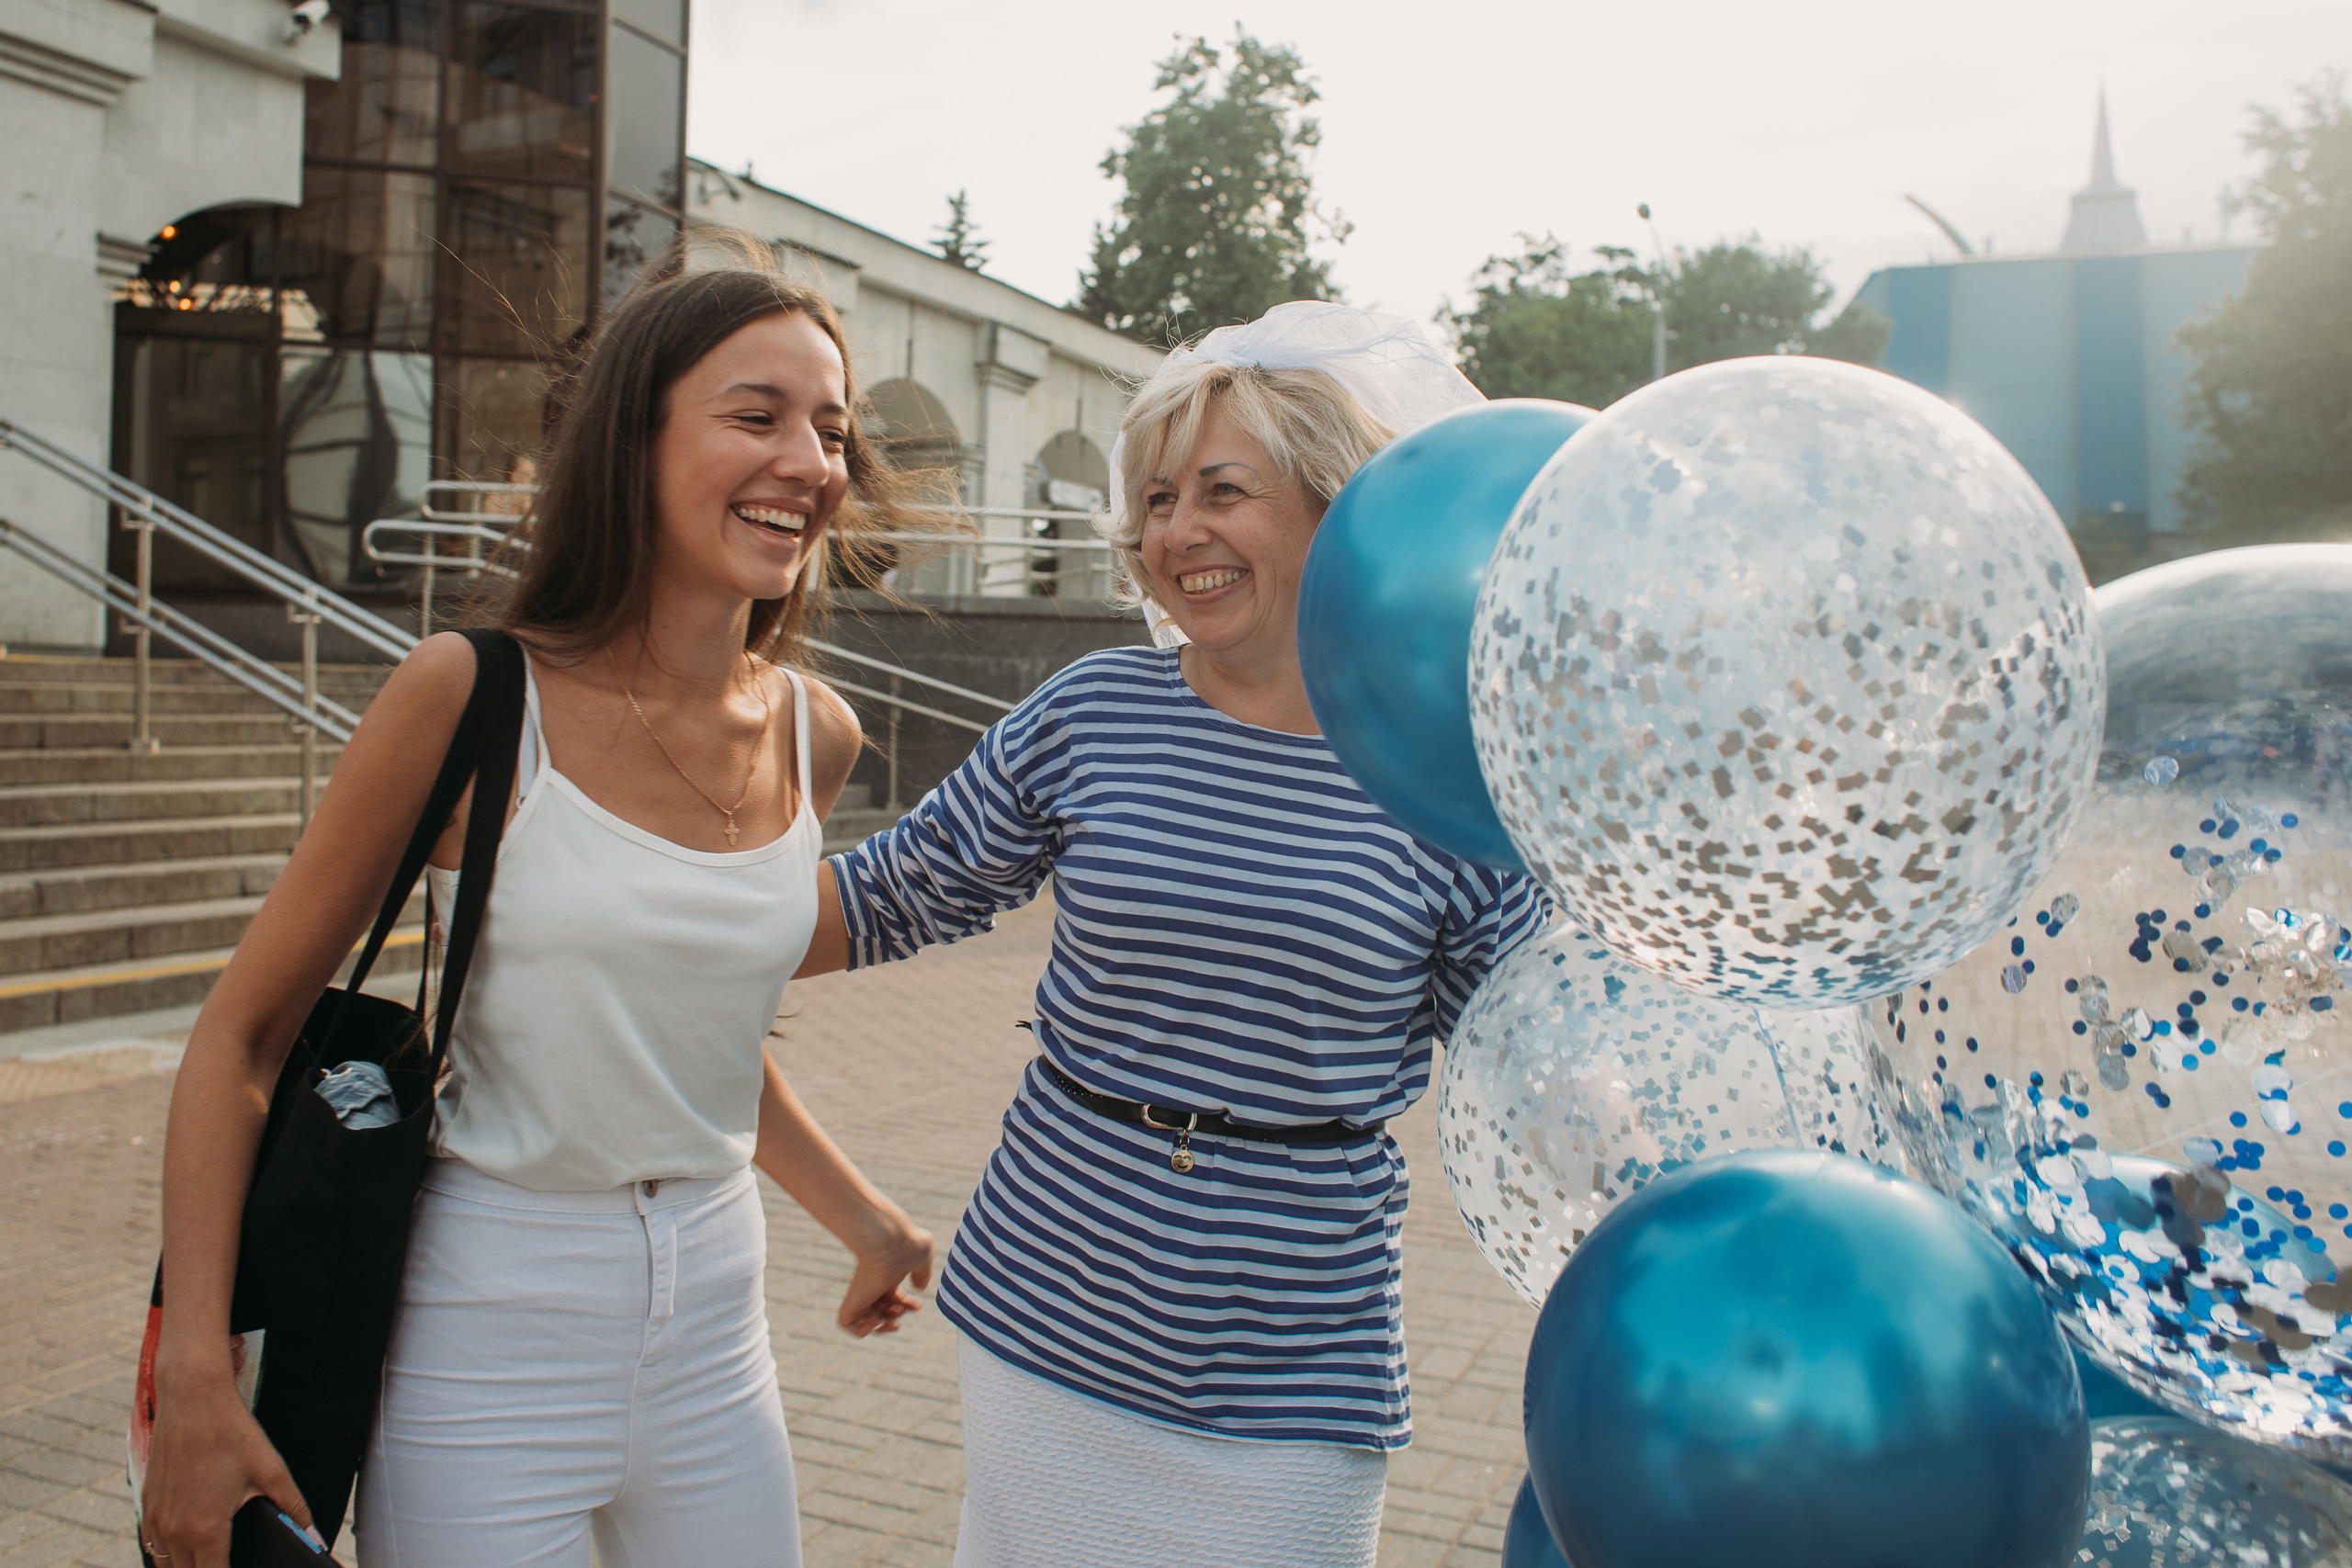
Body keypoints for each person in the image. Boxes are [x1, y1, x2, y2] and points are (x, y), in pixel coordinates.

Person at [137, 263, 938, 1568]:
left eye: (833, 430)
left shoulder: (816, 733)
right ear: (632, 442)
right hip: (489, 1318)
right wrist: (194, 1379)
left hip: (717, 1311)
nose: (809, 462)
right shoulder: (469, 697)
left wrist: (863, 1217)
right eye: (757, 416)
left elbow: (688, 1033)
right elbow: (242, 1036)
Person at [800, 301, 1552, 1566]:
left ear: (1337, 509)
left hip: (1295, 1364)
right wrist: (634, 901)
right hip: (1048, 1311)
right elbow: (893, 894)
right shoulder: (1091, 712)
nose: (1175, 533)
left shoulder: (1438, 774)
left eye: (1221, 491)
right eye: (1154, 500)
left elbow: (1532, 1050)